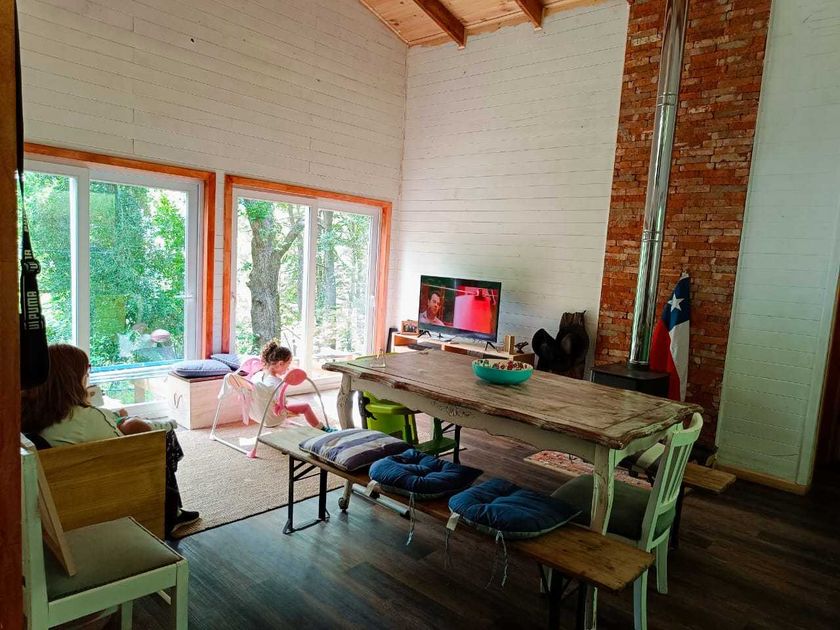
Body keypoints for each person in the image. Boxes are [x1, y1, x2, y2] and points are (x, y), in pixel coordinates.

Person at [20, 344, 199, 537]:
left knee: (133, 424)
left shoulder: (29, 414)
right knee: (162, 437)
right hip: (101, 488)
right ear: (73, 378)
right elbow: (121, 447)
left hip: (62, 488)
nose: (88, 375)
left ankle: (174, 508)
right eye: (87, 371)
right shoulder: (88, 418)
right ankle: (171, 512)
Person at [249, 340, 325, 429]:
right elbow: (282, 406)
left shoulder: (257, 376)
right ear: (280, 363)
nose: (288, 367)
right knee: (306, 407)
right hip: (274, 417)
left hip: (260, 415)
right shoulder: (277, 382)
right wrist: (289, 411)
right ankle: (322, 428)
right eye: (288, 363)